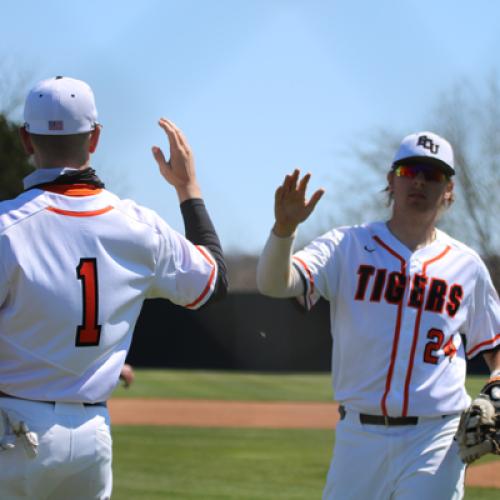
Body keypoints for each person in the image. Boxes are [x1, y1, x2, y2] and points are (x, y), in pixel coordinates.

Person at [0, 76, 227, 499]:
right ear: (95, 138)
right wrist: (187, 187)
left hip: (14, 428)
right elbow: (213, 283)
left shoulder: (8, 229)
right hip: (91, 437)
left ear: (26, 140)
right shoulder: (139, 226)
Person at [257, 131, 500, 500]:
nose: (419, 180)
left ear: (449, 189)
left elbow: (496, 347)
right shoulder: (347, 245)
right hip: (359, 436)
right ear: (391, 180)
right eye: (409, 170)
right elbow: (275, 283)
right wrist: (284, 231)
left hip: (435, 439)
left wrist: (495, 388)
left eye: (433, 175)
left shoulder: (466, 265)